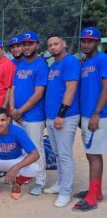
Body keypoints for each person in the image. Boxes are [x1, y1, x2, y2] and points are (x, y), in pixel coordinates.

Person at [43, 33, 81, 207]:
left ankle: (66, 191)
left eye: (56, 44)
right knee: (57, 154)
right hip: (52, 117)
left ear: (64, 44)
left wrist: (61, 114)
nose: (52, 47)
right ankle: (60, 183)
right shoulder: (54, 65)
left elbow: (71, 89)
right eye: (50, 45)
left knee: (65, 155)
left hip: (65, 116)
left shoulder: (70, 62)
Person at [72, 27, 107, 212]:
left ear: (97, 42)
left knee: (94, 155)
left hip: (98, 115)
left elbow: (106, 87)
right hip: (86, 115)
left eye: (90, 40)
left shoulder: (103, 59)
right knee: (90, 153)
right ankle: (96, 191)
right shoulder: (85, 62)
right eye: (83, 40)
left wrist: (96, 112)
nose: (86, 43)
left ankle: (92, 198)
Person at [9, 31, 49, 197]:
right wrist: (12, 109)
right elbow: (13, 88)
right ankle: (27, 175)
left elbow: (38, 93)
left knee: (35, 148)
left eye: (30, 44)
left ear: (37, 45)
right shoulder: (21, 65)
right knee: (22, 148)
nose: (26, 47)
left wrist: (20, 110)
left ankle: (40, 181)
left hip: (33, 116)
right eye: (24, 44)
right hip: (17, 115)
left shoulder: (41, 65)